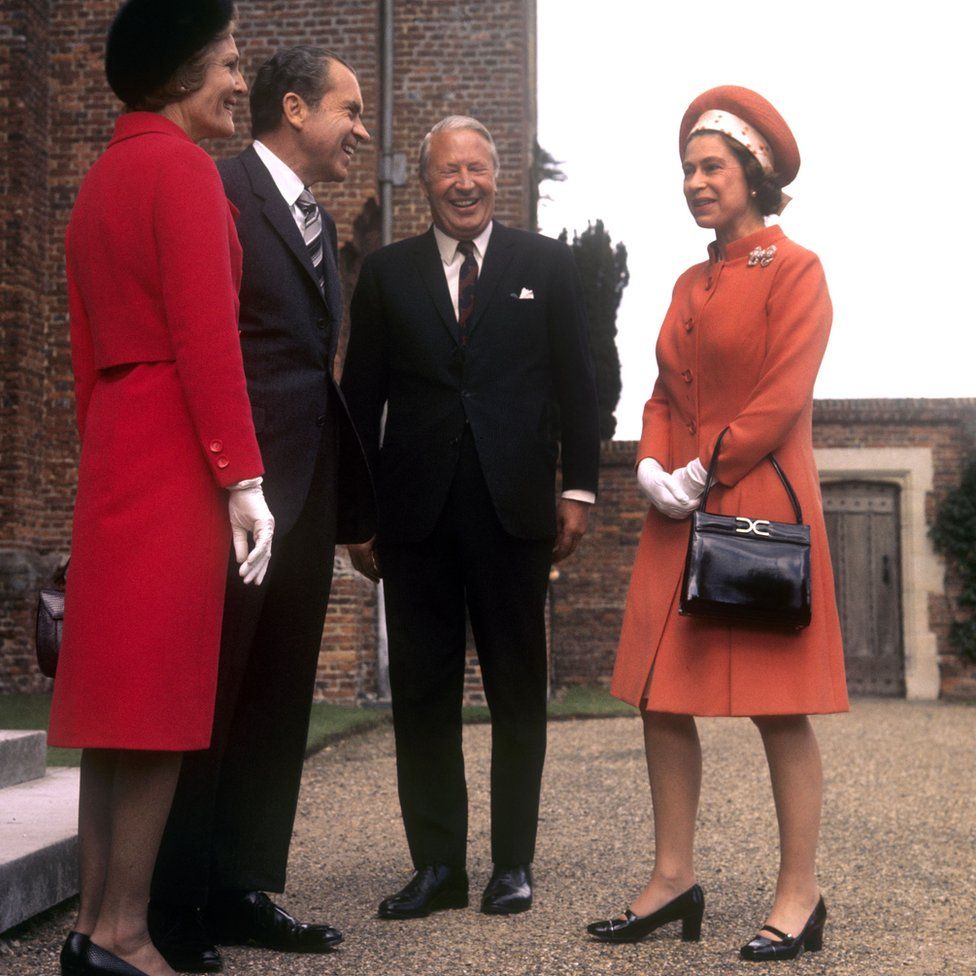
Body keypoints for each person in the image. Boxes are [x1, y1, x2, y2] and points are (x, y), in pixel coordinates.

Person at [586, 86, 848, 962]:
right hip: (680, 510)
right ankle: (670, 880)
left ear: (754, 175)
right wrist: (654, 464)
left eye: (712, 168)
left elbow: (782, 394)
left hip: (758, 504)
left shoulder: (798, 269)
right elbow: (663, 392)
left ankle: (800, 895)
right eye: (688, 170)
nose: (696, 182)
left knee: (780, 708)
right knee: (660, 697)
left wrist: (709, 464)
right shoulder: (687, 281)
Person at [47, 2, 275, 975]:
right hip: (180, 453)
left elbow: (85, 350)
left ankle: (91, 925)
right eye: (227, 62)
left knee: (115, 713)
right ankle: (125, 932)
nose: (239, 79)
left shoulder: (104, 177)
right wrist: (243, 476)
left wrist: (116, 452)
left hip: (117, 456)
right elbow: (207, 339)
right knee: (157, 710)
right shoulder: (183, 172)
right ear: (182, 72)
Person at [148, 47, 375, 973]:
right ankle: (176, 904)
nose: (360, 129)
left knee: (280, 687)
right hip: (238, 489)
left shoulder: (316, 219)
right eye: (348, 110)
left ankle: (242, 886)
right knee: (217, 684)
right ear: (295, 107)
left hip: (309, 486)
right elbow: (206, 340)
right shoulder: (219, 190)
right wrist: (234, 478)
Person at [342, 115, 601, 919]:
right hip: (412, 519)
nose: (464, 183)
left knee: (519, 690)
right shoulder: (387, 274)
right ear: (424, 182)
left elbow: (579, 388)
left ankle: (512, 864)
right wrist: (356, 516)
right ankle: (437, 869)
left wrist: (579, 490)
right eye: (448, 170)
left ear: (498, 177)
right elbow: (360, 402)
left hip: (514, 511)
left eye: (477, 169)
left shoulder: (547, 266)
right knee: (421, 694)